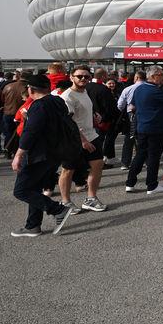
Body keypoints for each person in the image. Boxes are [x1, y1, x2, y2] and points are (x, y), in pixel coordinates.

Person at [9, 74, 75, 237]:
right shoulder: (58, 101)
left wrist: (18, 154)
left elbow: (31, 132)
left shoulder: (38, 106)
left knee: (21, 190)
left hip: (38, 154)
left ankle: (58, 209)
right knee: (34, 189)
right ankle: (33, 226)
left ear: (30, 90)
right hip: (54, 153)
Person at [59, 65, 108, 213]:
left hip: (91, 134)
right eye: (79, 76)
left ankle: (91, 199)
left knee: (98, 164)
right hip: (74, 139)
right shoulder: (67, 96)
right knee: (68, 170)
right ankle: (65, 202)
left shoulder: (85, 91)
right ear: (71, 77)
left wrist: (94, 116)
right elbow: (68, 122)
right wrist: (83, 141)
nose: (83, 79)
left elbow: (82, 111)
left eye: (86, 76)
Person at [126, 66, 163, 193]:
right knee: (153, 157)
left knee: (140, 155)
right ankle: (152, 185)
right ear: (153, 76)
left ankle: (130, 183)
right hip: (156, 127)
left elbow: (132, 105)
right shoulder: (155, 90)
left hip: (142, 126)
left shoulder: (139, 89)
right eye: (161, 74)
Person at [116, 70, 148, 170]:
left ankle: (125, 163)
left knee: (129, 139)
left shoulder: (128, 89)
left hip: (131, 115)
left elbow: (120, 105)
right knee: (143, 139)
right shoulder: (149, 88)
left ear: (137, 77)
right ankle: (145, 161)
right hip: (145, 115)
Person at [1, 71, 27, 156]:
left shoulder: (8, 86)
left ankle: (7, 150)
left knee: (8, 133)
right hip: (21, 114)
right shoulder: (27, 88)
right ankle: (16, 151)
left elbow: (2, 99)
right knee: (20, 133)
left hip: (7, 112)